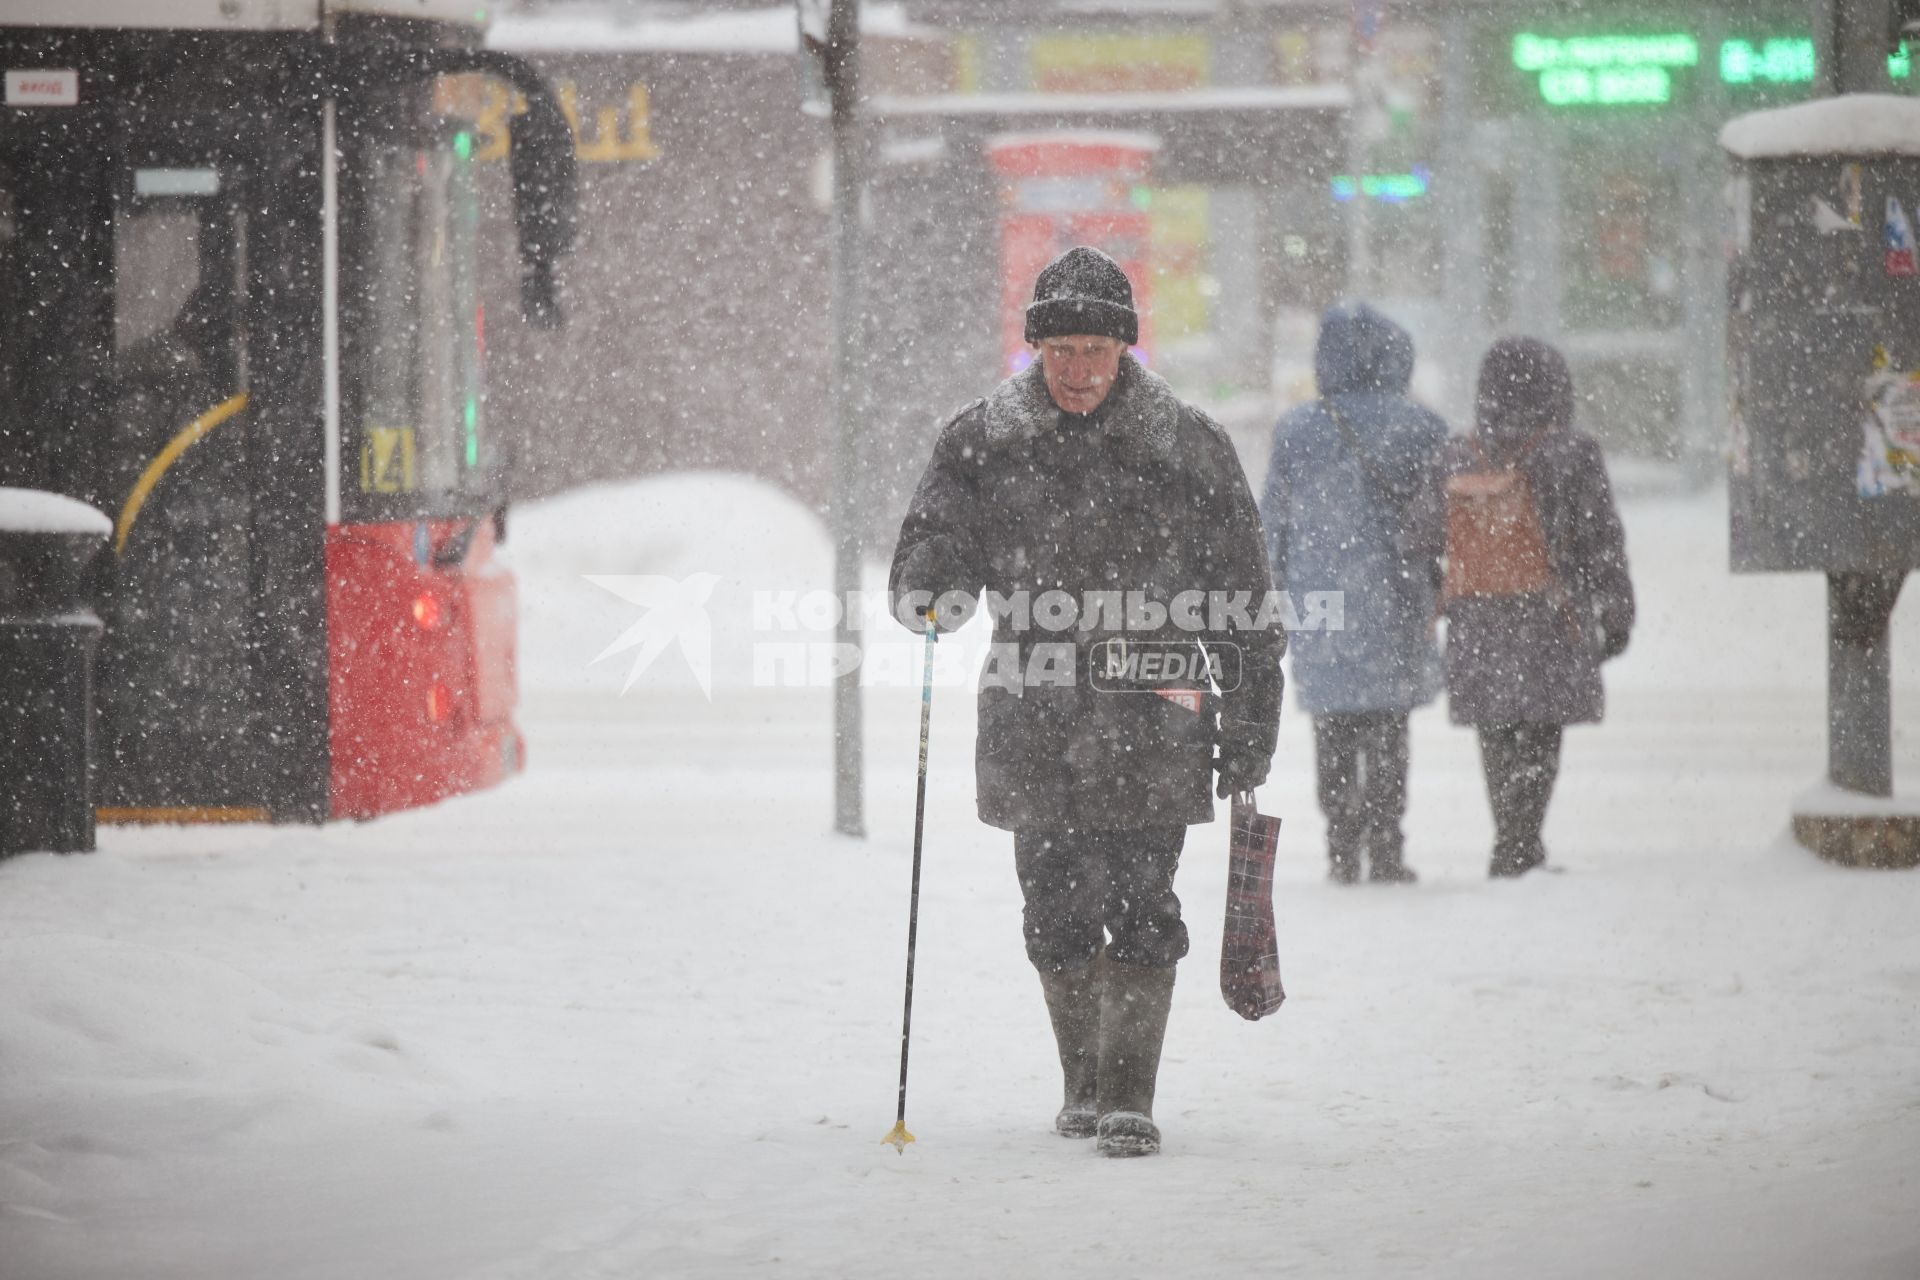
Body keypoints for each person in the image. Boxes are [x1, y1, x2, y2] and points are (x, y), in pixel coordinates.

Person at [889, 246, 1283, 1158]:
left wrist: (1252, 710)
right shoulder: (980, 439)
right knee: (1055, 908)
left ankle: (1129, 1094)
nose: (1075, 370)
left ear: (1124, 351)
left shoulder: (1188, 446)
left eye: (1093, 352)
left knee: (1146, 899)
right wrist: (930, 590)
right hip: (1036, 712)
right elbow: (931, 544)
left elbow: (1243, 598)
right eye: (1060, 350)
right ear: (1037, 349)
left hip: (1158, 708)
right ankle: (1084, 1083)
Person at [1258, 303, 1447, 885]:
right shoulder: (1420, 427)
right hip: (1394, 595)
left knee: (1333, 728)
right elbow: (1442, 519)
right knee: (1390, 728)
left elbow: (1273, 525)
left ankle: (1341, 847)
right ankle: (1387, 846)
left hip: (1323, 605)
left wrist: (1272, 594)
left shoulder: (1297, 429)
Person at [1440, 337, 1635, 878]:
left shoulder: (1461, 453)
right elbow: (1602, 542)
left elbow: (1420, 533)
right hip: (1551, 614)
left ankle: (1510, 838)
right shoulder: (1572, 453)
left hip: (1478, 619)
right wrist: (1617, 611)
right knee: (1541, 731)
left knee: (1496, 732)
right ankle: (1523, 843)